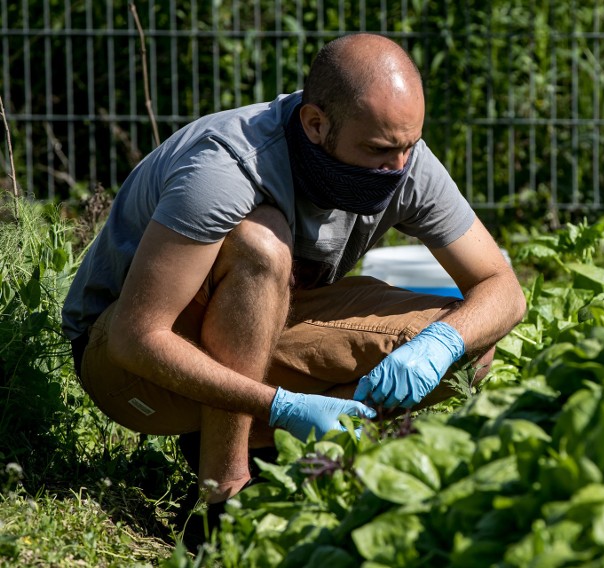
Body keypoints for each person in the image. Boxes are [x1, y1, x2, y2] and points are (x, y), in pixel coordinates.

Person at [61, 32, 525, 539]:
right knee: (262, 243)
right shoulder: (228, 167)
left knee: (472, 347)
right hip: (128, 366)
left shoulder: (401, 157)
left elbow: (500, 285)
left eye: (408, 147)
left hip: (258, 328)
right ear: (315, 123)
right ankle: (221, 503)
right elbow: (136, 336)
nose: (397, 167)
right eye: (377, 149)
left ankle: (267, 449)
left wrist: (442, 343)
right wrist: (283, 404)